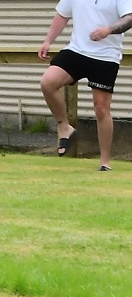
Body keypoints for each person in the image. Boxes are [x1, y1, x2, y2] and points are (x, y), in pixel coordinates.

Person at [39, 0, 132, 171]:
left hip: (105, 56)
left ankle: (105, 162)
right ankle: (64, 127)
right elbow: (62, 15)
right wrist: (48, 41)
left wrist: (109, 29)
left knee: (101, 108)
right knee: (48, 82)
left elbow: (129, 18)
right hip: (76, 51)